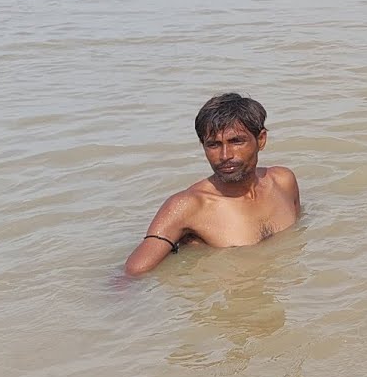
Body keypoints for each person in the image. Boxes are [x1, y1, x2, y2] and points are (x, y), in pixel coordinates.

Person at [123, 93, 301, 276]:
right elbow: (132, 273)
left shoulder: (283, 182)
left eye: (236, 141)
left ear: (261, 140)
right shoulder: (188, 206)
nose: (225, 155)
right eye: (213, 145)